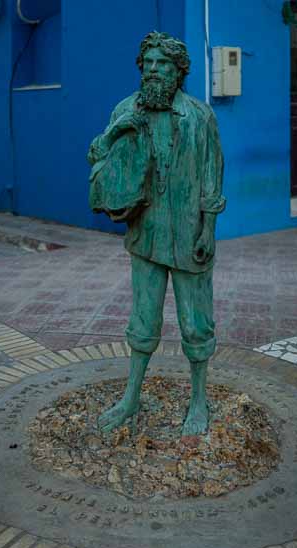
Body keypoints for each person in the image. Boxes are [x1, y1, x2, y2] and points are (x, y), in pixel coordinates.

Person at [88, 32, 226, 436]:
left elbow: (212, 175)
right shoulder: (126, 109)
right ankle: (131, 396)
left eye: (162, 63)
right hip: (145, 234)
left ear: (179, 71)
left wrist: (209, 229)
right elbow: (96, 155)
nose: (152, 69)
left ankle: (198, 399)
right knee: (142, 321)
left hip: (188, 234)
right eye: (147, 62)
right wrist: (117, 131)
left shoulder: (200, 116)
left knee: (195, 323)